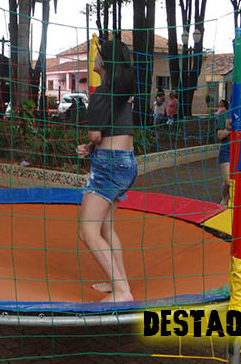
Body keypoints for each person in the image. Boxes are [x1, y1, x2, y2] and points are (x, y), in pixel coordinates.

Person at [76, 39, 138, 303]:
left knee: (87, 232)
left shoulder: (101, 93)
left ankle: (122, 291)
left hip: (109, 166)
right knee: (105, 228)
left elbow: (96, 134)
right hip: (126, 163)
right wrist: (92, 146)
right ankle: (118, 283)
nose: (95, 57)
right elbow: (108, 133)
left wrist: (91, 142)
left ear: (105, 63)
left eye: (98, 54)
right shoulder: (121, 91)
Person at [216, 99, 231, 205]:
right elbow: (220, 135)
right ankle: (225, 199)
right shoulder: (224, 115)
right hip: (227, 149)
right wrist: (230, 128)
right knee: (227, 181)